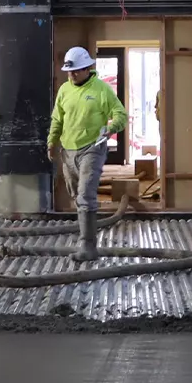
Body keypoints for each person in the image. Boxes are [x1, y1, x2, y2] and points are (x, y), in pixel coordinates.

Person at [48, 46, 126, 262]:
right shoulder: (65, 90)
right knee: (77, 197)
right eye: (69, 71)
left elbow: (120, 113)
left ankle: (88, 246)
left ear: (87, 69)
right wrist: (51, 142)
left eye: (76, 71)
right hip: (68, 150)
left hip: (92, 148)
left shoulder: (101, 90)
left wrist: (112, 127)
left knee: (85, 195)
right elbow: (57, 118)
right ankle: (86, 237)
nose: (72, 74)